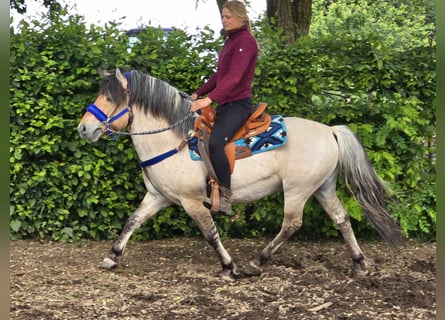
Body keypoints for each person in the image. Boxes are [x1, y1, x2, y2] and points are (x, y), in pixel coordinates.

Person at [190, 0, 259, 216]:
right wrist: (198, 93)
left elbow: (234, 78)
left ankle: (226, 196)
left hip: (238, 105)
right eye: (223, 16)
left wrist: (210, 99)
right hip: (227, 104)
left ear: (241, 17)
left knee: (217, 142)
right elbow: (220, 76)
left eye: (228, 16)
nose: (224, 20)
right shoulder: (231, 41)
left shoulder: (245, 42)